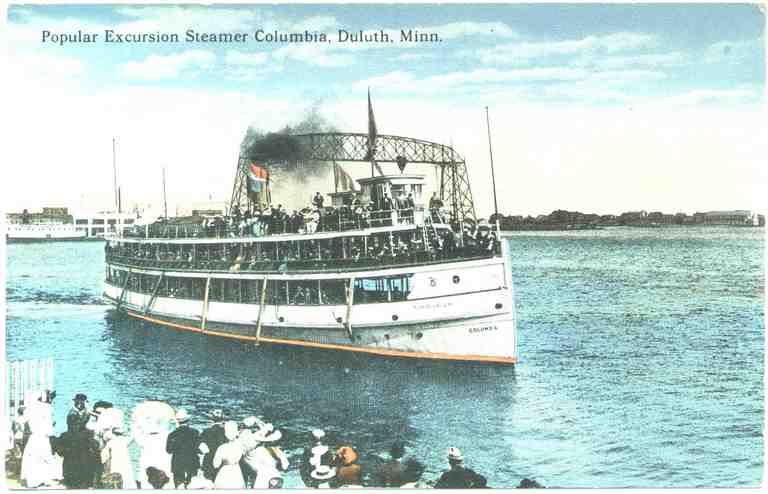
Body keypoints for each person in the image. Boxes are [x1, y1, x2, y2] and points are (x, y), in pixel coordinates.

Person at [21, 390, 60, 488]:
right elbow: (48, 428)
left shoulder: (33, 408)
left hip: (38, 438)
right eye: (49, 399)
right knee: (40, 458)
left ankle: (39, 480)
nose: (50, 402)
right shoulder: (44, 408)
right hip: (40, 437)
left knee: (37, 459)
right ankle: (38, 480)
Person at [245, 421, 289, 488]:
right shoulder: (271, 450)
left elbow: (285, 465)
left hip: (267, 476)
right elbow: (285, 466)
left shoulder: (262, 449)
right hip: (270, 476)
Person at [166, 409, 201, 488]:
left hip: (178, 463)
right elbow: (199, 448)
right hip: (192, 463)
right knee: (192, 486)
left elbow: (168, 450)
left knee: (179, 487)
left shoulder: (172, 434)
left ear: (177, 421)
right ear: (188, 420)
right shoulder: (195, 432)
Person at [212, 421, 245, 488]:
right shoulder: (240, 446)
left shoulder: (222, 448)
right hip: (236, 470)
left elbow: (216, 465)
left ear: (225, 434)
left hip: (225, 471)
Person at [101, 423, 135, 489]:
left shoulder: (111, 442)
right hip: (125, 461)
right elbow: (132, 436)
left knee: (116, 478)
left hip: (116, 462)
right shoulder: (125, 440)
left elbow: (104, 454)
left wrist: (103, 461)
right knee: (127, 476)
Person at [200, 409, 227, 480]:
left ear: (212, 419)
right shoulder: (226, 432)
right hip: (223, 461)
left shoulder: (206, 431)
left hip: (209, 461)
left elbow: (200, 446)